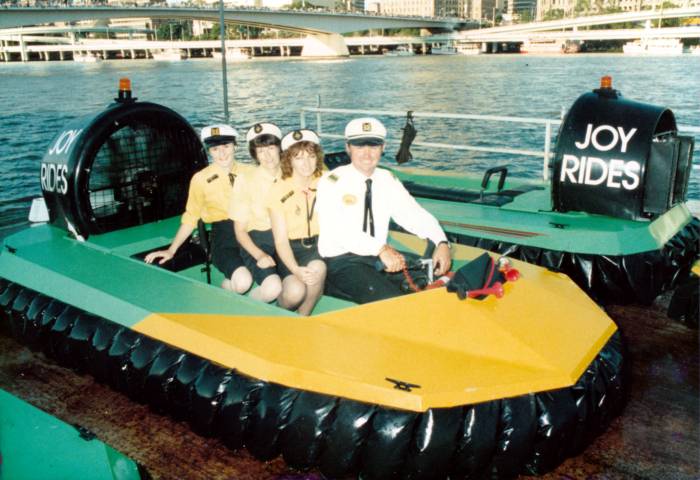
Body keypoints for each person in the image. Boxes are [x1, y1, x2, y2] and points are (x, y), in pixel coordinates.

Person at [316, 117, 452, 304]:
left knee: (434, 282)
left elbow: (413, 214)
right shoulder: (332, 182)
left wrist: (441, 242)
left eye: (373, 146)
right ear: (348, 148)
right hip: (343, 260)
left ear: (383, 147)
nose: (367, 154)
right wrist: (380, 249)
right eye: (359, 146)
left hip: (378, 256)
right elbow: (339, 230)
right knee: (393, 302)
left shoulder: (387, 179)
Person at [145, 124, 253, 294]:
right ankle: (226, 293)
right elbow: (191, 218)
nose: (222, 154)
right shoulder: (201, 179)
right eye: (215, 149)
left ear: (235, 146)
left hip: (253, 232)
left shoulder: (252, 172)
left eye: (226, 146)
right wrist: (171, 250)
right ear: (209, 151)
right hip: (224, 238)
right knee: (243, 283)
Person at [267, 129, 327, 316]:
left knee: (317, 269)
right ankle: (278, 313)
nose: (306, 163)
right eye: (298, 158)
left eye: (311, 156)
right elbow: (280, 240)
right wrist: (295, 269)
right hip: (290, 250)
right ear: (288, 160)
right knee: (294, 293)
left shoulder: (326, 181)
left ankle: (303, 318)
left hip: (320, 247)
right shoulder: (277, 190)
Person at [229, 122, 283, 303]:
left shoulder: (291, 174)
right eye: (260, 151)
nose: (267, 156)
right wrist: (259, 255)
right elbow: (240, 230)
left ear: (279, 148)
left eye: (271, 148)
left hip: (288, 238)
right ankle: (245, 307)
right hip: (259, 241)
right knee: (273, 288)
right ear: (254, 154)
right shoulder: (245, 180)